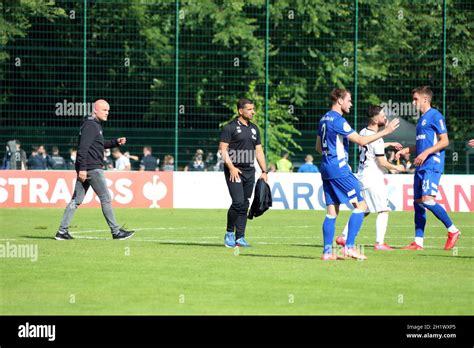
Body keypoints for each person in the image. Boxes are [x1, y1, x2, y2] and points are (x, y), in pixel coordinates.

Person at [316, 88, 399, 260]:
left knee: (332, 211)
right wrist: (386, 131)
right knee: (362, 206)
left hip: (325, 167)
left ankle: (327, 252)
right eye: (349, 100)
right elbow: (361, 141)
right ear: (339, 100)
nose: (351, 104)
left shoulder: (323, 119)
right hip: (339, 168)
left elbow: (318, 147)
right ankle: (349, 247)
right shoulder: (339, 121)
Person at [54, 99, 134, 240]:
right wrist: (83, 169)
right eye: (104, 110)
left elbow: (98, 144)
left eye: (108, 110)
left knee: (76, 200)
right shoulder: (91, 125)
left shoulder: (92, 124)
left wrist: (115, 142)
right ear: (95, 110)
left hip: (87, 168)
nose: (107, 113)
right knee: (106, 198)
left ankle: (62, 231)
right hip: (92, 168)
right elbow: (83, 148)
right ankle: (116, 232)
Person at [395, 86, 460, 250]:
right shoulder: (421, 119)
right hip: (421, 165)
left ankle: (453, 230)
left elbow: (444, 141)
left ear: (425, 99)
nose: (413, 102)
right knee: (418, 202)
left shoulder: (435, 115)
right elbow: (421, 144)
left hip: (432, 164)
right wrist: (406, 150)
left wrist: (426, 154)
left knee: (427, 200)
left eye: (415, 99)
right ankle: (418, 242)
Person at [336, 106, 405, 250]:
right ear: (375, 120)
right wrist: (397, 168)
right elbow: (382, 162)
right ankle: (380, 243)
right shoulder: (377, 139)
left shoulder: (363, 132)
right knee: (383, 210)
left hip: (362, 176)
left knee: (364, 209)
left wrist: (388, 143)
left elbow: (372, 145)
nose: (385, 118)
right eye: (383, 116)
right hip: (373, 178)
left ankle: (343, 236)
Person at [219, 98, 267, 248]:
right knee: (238, 202)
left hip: (249, 171)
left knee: (245, 204)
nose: (253, 112)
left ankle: (240, 237)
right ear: (241, 111)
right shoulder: (230, 127)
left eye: (253, 109)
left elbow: (259, 151)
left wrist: (264, 171)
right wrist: (232, 167)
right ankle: (229, 233)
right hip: (234, 170)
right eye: (250, 109)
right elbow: (223, 150)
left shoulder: (254, 129)